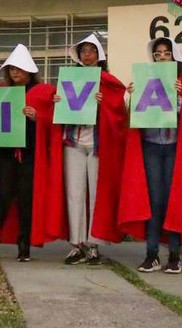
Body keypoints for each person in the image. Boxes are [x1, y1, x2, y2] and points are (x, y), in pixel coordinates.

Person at [118, 37, 182, 275]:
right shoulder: (146, 80)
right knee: (154, 200)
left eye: (166, 53)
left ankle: (174, 256)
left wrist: (177, 98)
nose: (162, 57)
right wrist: (133, 98)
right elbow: (134, 119)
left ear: (174, 57)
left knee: (173, 199)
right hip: (152, 146)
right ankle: (152, 254)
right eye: (158, 54)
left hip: (174, 147)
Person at [0, 44, 63, 266]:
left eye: (19, 68)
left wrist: (37, 118)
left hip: (30, 155)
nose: (15, 73)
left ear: (29, 71)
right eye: (12, 69)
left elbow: (53, 124)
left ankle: (24, 243)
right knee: (1, 199)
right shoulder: (0, 92)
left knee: (27, 201)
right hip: (7, 155)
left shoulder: (45, 92)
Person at [56, 34, 128, 265]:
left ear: (99, 55)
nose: (87, 55)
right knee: (74, 193)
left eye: (92, 51)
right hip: (74, 142)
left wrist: (104, 103)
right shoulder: (70, 80)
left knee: (97, 193)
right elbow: (61, 111)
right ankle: (76, 244)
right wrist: (58, 100)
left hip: (97, 144)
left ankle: (94, 244)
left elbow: (119, 112)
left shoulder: (109, 82)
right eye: (84, 51)